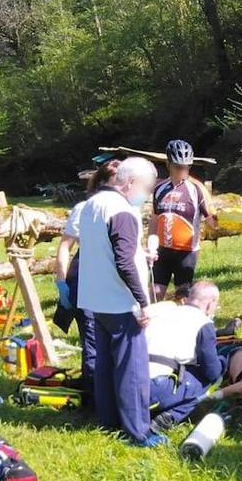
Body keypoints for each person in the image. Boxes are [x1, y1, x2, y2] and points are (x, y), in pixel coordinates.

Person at [76, 156, 163, 448]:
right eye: (147, 188)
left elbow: (104, 250)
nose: (147, 195)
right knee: (132, 368)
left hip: (95, 298)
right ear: (130, 183)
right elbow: (124, 261)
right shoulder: (123, 211)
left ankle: (109, 419)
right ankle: (138, 431)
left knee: (105, 364)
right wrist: (143, 301)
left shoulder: (91, 204)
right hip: (120, 301)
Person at [53, 156, 119, 401]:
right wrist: (61, 283)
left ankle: (105, 387)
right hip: (85, 278)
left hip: (112, 280)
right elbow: (65, 247)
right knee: (91, 337)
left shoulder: (123, 208)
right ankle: (94, 397)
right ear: (102, 183)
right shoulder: (84, 209)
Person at [146, 281, 224, 429]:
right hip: (154, 388)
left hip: (128, 381)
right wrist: (222, 362)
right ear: (210, 303)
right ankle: (169, 417)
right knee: (203, 380)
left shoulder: (162, 312)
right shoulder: (203, 323)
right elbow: (211, 371)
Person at [150, 139, 216, 301]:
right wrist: (150, 246)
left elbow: (213, 220)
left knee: (183, 298)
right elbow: (154, 219)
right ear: (168, 164)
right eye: (178, 167)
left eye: (186, 167)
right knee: (155, 294)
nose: (182, 171)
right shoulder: (159, 188)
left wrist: (221, 221)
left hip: (186, 253)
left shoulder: (197, 189)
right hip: (162, 251)